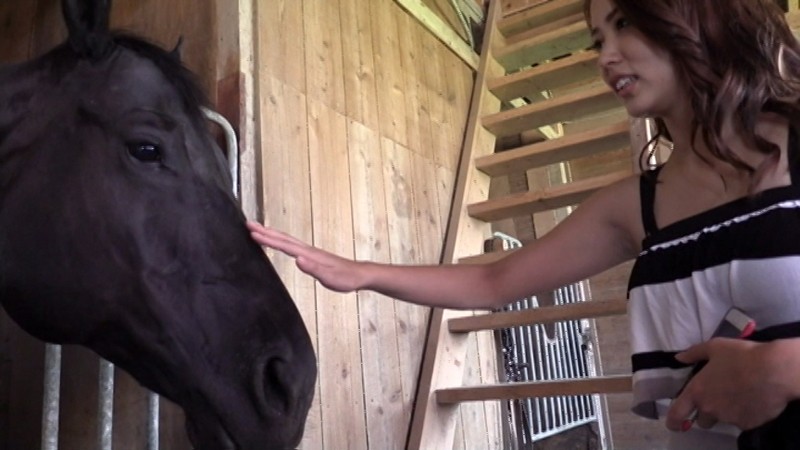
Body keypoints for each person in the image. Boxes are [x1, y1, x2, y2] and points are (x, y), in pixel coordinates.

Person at [248, 0, 800, 448]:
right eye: (597, 40)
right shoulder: (636, 206)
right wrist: (361, 272)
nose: (606, 57)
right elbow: (493, 281)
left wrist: (782, 368)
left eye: (623, 24)